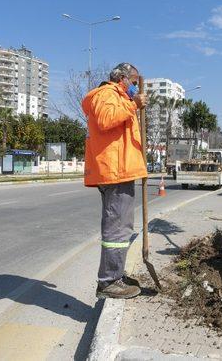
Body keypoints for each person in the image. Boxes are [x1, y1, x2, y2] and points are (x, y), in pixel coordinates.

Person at [82, 62, 148, 299]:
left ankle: (115, 275)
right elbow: (106, 119)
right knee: (117, 228)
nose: (134, 86)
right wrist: (134, 104)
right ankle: (109, 281)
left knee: (121, 226)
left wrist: (131, 104)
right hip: (115, 171)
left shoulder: (119, 97)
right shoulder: (106, 94)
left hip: (121, 170)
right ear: (122, 78)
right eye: (133, 80)